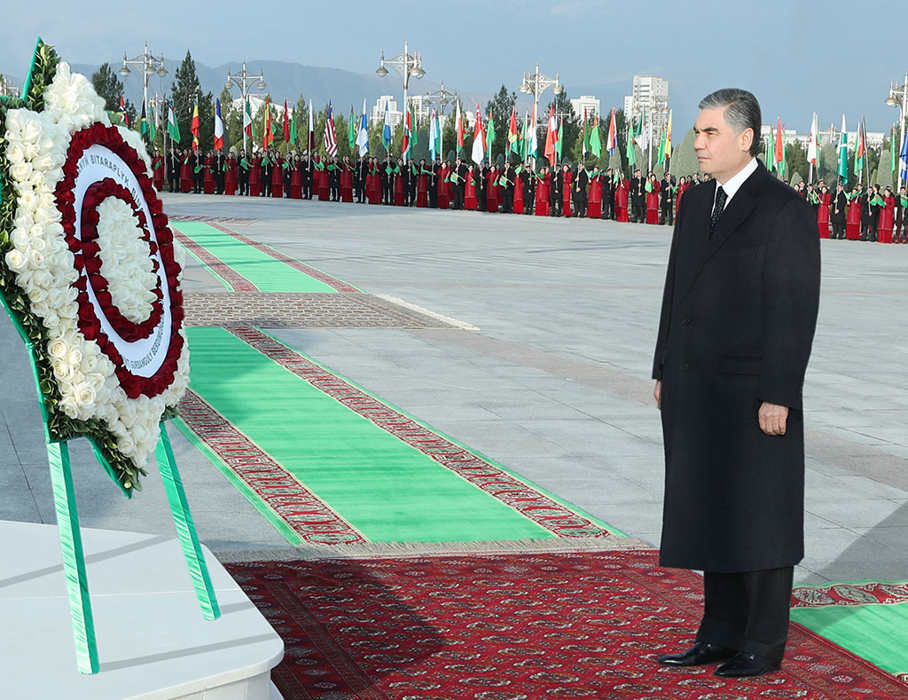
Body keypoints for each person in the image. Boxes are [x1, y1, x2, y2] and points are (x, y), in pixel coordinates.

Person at [652, 88, 820, 679]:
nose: (697, 143)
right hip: (696, 388)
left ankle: (763, 642)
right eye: (696, 133)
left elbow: (794, 308)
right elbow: (676, 293)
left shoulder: (783, 209)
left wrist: (780, 391)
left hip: (754, 392)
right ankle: (718, 634)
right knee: (712, 509)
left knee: (762, 515)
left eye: (709, 133)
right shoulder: (696, 203)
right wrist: (662, 366)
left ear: (745, 139)